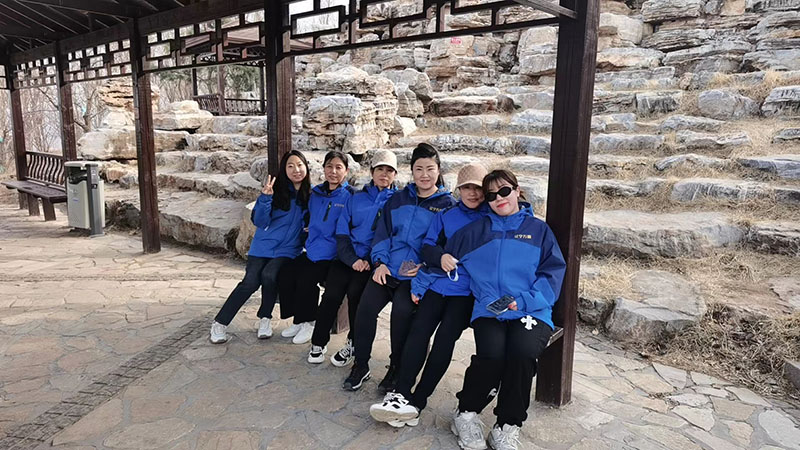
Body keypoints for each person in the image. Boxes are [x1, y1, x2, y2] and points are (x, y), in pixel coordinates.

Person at [447, 169, 566, 450]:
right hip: (490, 310)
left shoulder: (539, 230)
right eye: (491, 195)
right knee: (492, 356)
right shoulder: (475, 232)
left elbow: (553, 273)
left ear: (516, 190)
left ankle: (507, 425)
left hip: (531, 310)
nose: (499, 198)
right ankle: (466, 413)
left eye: (504, 191)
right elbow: (443, 257)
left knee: (522, 354)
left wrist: (524, 301)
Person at [368, 163, 489, 428]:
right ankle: (401, 393)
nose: (472, 193)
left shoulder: (490, 219)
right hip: (437, 285)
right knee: (418, 332)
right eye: (467, 187)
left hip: (466, 293)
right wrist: (440, 257)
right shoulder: (446, 215)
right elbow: (427, 246)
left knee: (444, 341)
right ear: (459, 190)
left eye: (478, 188)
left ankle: (417, 402)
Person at [343, 143, 456, 393]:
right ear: (412, 171)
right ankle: (361, 364)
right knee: (365, 310)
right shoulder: (397, 199)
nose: (424, 175)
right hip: (389, 267)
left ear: (438, 170)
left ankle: (396, 367)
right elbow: (382, 234)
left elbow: (445, 247)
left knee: (401, 315)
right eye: (419, 169)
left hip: (415, 275)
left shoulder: (447, 205)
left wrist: (425, 268)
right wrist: (380, 263)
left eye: (430, 169)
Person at [209, 150, 311, 344]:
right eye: (290, 166)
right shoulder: (275, 191)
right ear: (284, 170)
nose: (296, 170)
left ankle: (265, 319)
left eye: (300, 165)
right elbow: (260, 221)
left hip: (288, 250)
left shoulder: (310, 196)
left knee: (269, 275)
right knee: (250, 282)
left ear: (306, 167)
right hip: (263, 247)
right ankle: (219, 323)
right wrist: (265, 199)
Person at [307, 150, 398, 365]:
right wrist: (352, 259)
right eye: (379, 169)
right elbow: (342, 232)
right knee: (331, 295)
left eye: (389, 170)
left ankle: (353, 343)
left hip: (373, 261)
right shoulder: (356, 197)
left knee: (357, 296)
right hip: (347, 258)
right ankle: (318, 342)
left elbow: (389, 236)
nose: (384, 174)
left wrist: (368, 260)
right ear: (372, 171)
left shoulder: (397, 202)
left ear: (395, 174)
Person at [278, 151, 352, 345]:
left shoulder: (350, 196)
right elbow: (308, 215)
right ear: (324, 169)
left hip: (333, 255)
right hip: (313, 248)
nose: (333, 172)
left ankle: (310, 322)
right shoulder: (316, 193)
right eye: (329, 167)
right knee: (285, 273)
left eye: (338, 167)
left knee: (306, 279)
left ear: (346, 171)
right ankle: (298, 319)